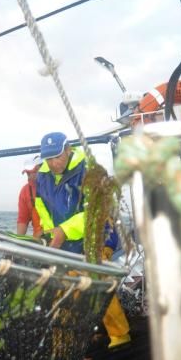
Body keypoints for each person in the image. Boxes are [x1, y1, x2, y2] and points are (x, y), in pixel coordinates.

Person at [34, 131, 129, 348]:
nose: (53, 163)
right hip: (68, 241)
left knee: (94, 277)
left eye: (57, 156)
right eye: (48, 158)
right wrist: (51, 235)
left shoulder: (89, 171)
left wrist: (63, 231)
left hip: (99, 235)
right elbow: (42, 208)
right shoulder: (42, 176)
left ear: (68, 150)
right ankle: (68, 343)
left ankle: (120, 336)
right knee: (63, 290)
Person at [16, 157, 41, 238]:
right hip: (39, 240)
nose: (30, 176)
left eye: (34, 172)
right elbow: (23, 219)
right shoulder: (25, 191)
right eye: (28, 173)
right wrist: (19, 241)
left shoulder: (57, 186)